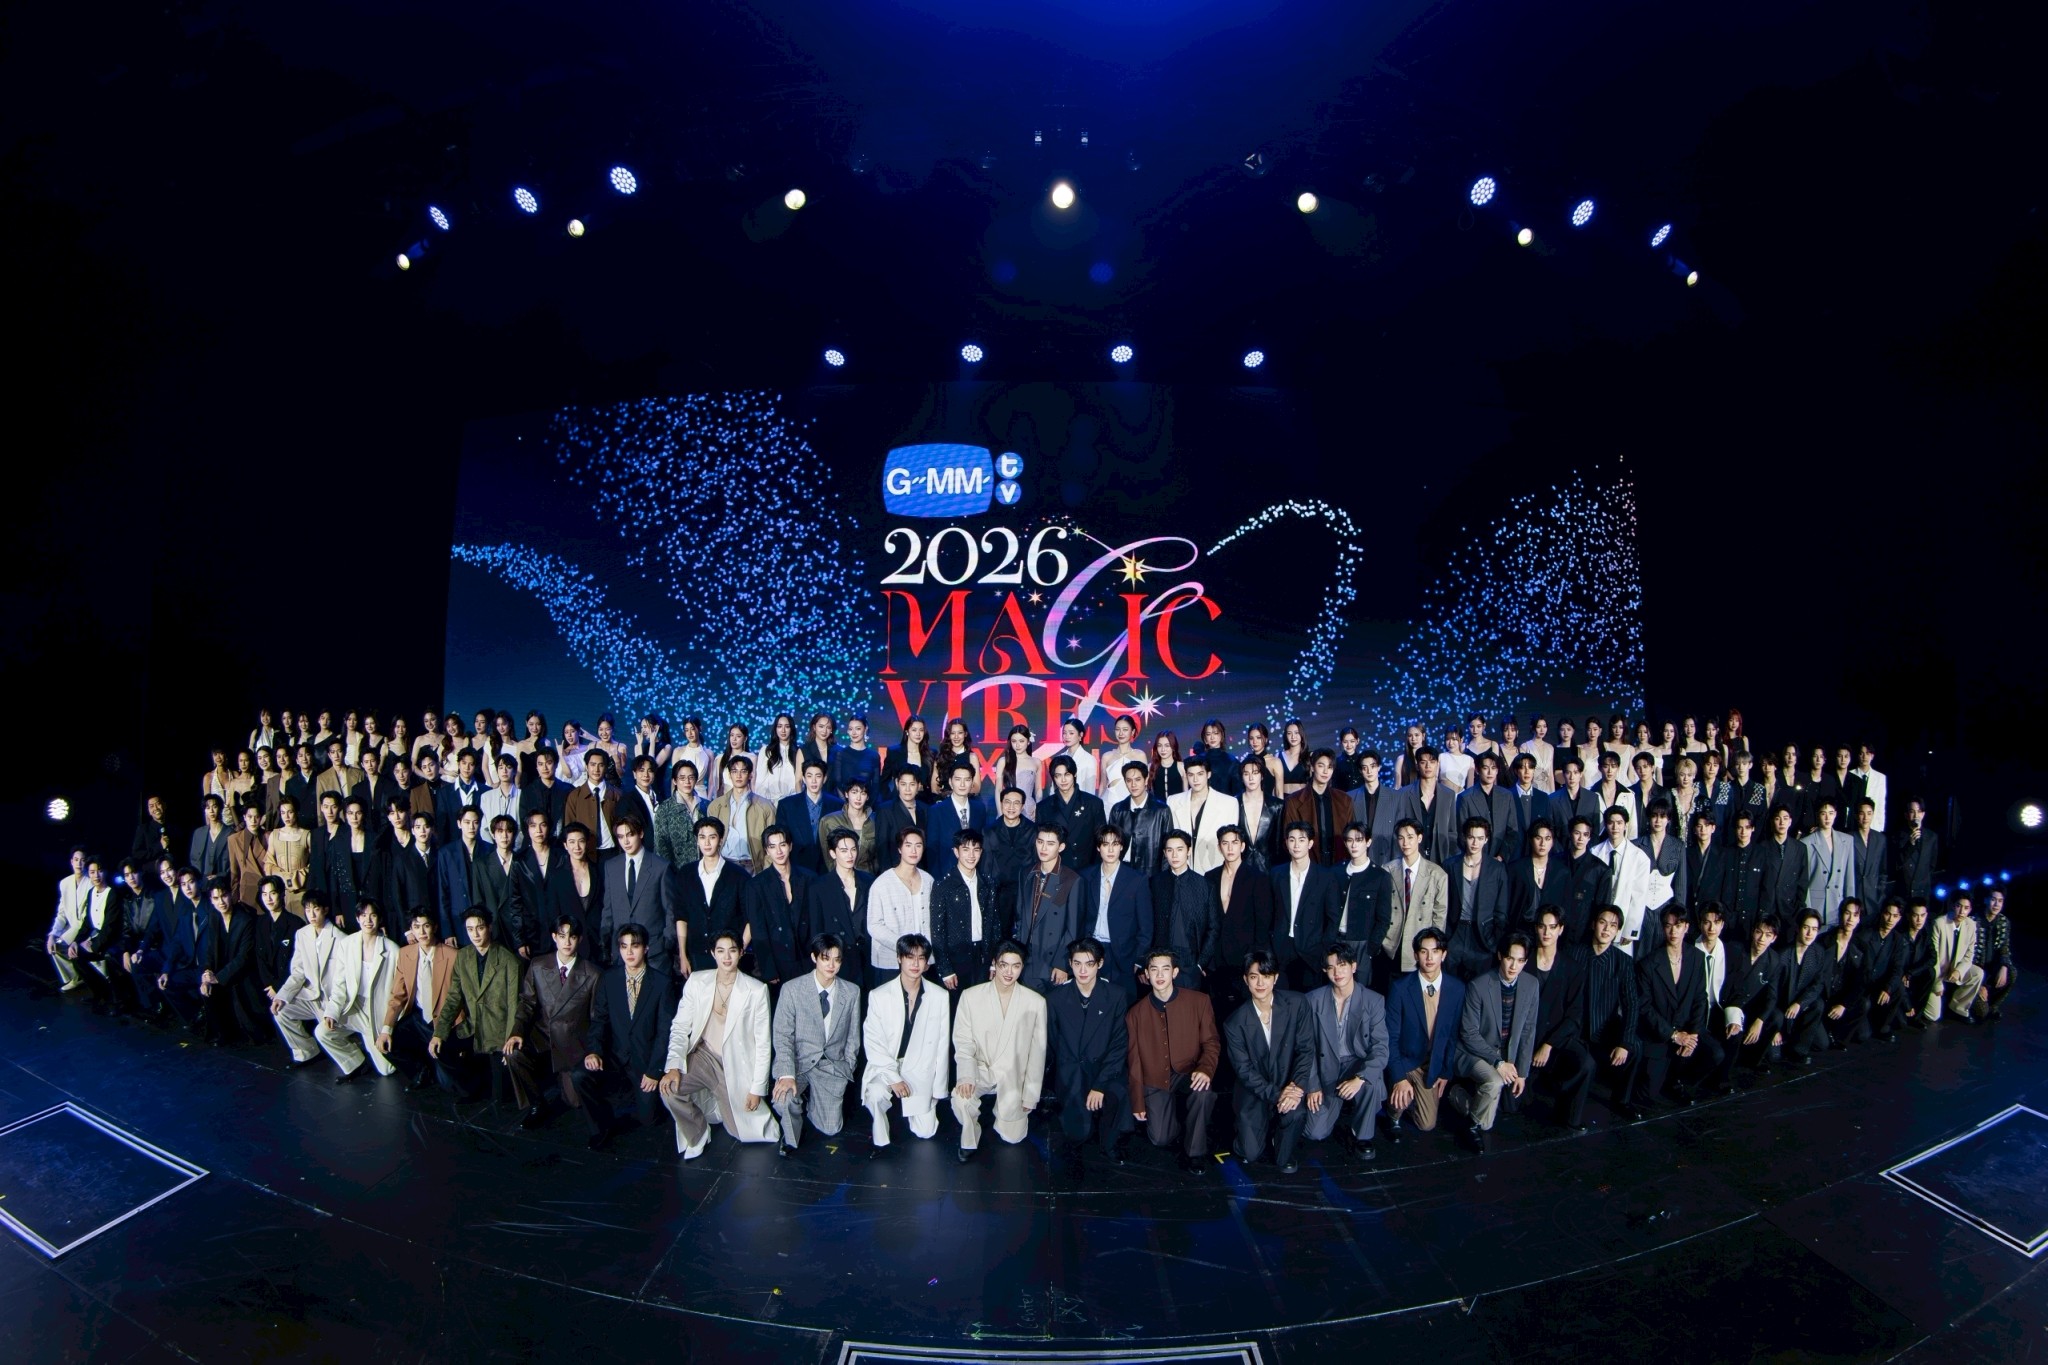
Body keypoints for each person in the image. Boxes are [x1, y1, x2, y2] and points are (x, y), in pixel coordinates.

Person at [579, 924, 677, 1148]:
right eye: (624, 946)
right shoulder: (609, 979)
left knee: (648, 1120)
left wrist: (655, 1071)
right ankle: (600, 1127)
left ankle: (647, 1102)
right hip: (614, 1056)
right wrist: (593, 1051)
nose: (629, 952)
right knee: (579, 1075)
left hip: (644, 1061)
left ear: (646, 948)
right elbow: (599, 1020)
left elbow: (665, 1032)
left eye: (635, 946)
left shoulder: (662, 983)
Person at [1125, 948, 1221, 1174]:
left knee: (1203, 1092)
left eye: (1165, 969)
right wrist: (1138, 1101)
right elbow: (1134, 1061)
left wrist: (1205, 1069)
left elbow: (1211, 1042)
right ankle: (1180, 1121)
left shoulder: (1199, 1001)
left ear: (1175, 972)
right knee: (1160, 1138)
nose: (1159, 975)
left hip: (1189, 1071)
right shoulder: (1135, 1014)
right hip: (1155, 1079)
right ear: (1146, 974)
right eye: (1154, 970)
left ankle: (1195, 1152)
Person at [951, 940, 1048, 1162]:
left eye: (1016, 966)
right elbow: (963, 1042)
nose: (1009, 972)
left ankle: (1007, 1115)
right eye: (1004, 965)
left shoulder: (1035, 1003)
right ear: (994, 963)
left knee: (1012, 1138)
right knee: (961, 1099)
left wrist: (1030, 1095)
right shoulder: (970, 996)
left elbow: (1037, 1054)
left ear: (1022, 967)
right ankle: (969, 1137)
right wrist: (966, 1075)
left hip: (1013, 1076)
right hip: (981, 1069)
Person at [509, 915, 605, 1134]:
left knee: (574, 1102)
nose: (567, 942)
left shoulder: (593, 973)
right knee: (513, 1053)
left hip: (572, 1042)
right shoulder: (537, 965)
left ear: (580, 939)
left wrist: (593, 1051)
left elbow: (597, 1019)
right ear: (554, 937)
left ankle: (566, 1079)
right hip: (543, 1036)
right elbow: (526, 1004)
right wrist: (516, 1032)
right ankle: (536, 1103)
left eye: (572, 937)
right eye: (562, 936)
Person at [1223, 950, 1315, 1174]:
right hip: (1254, 1091)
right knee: (1250, 1153)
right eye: (1254, 977)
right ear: (1246, 980)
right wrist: (1278, 1095)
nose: (1260, 983)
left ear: (1275, 978)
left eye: (1266, 976)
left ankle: (1279, 1139)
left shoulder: (1297, 1003)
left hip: (1288, 1083)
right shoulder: (1234, 1023)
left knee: (1295, 1116)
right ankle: (1249, 1129)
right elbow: (1244, 1071)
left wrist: (1296, 1087)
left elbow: (1306, 1050)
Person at [1046, 937, 1132, 1173]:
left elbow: (1118, 1044)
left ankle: (1109, 1143)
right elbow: (1053, 1041)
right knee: (1077, 1135)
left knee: (1117, 1095)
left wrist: (1100, 1085)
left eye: (1089, 964)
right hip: (1072, 1070)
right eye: (1077, 964)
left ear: (1100, 964)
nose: (1082, 970)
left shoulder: (1116, 995)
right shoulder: (1055, 999)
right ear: (1070, 964)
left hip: (1104, 1068)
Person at [1446, 934, 1539, 1152]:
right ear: (1500, 956)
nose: (1514, 966)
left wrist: (1522, 1073)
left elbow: (1528, 1030)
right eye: (1509, 958)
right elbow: (1468, 1034)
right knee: (1494, 1082)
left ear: (1526, 961)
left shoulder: (1531, 984)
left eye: (1520, 961)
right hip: (1472, 1051)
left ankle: (1456, 1095)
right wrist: (1498, 1062)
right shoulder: (1478, 985)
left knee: (1489, 1122)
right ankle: (1470, 1126)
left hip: (1506, 1055)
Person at [861, 933, 951, 1151]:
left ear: (927, 963)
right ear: (899, 958)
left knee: (926, 1132)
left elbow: (942, 1046)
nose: (915, 964)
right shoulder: (879, 995)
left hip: (920, 1067)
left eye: (921, 958)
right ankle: (881, 1132)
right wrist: (893, 1078)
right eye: (910, 957)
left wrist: (938, 1090)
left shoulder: (939, 996)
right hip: (887, 1065)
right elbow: (873, 1043)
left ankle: (916, 1107)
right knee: (875, 1094)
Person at [428, 908, 528, 1104]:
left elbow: (514, 1005)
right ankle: (471, 1088)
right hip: (474, 1026)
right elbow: (454, 997)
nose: (475, 934)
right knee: (441, 1049)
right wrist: (439, 1032)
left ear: (489, 928)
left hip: (498, 1031)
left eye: (480, 928)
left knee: (500, 1099)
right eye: (470, 929)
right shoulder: (463, 956)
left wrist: (509, 1039)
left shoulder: (509, 961)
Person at [1303, 942, 1389, 1162]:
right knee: (1315, 1133)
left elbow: (1380, 1048)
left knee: (1371, 1081)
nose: (1337, 972)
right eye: (1331, 967)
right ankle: (1336, 1105)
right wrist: (1312, 1085)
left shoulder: (1373, 1000)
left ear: (1354, 966)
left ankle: (1363, 1136)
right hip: (1326, 1068)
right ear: (1324, 970)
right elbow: (1306, 1048)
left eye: (1342, 965)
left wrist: (1360, 1078)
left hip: (1356, 1065)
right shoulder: (1312, 1000)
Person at [1384, 927, 1464, 1140]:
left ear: (1443, 954)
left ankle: (1413, 1099)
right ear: (1415, 955)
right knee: (1398, 1102)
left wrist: (1445, 1071)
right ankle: (1393, 1110)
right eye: (1423, 951)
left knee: (1427, 1124)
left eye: (1435, 951)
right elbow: (1390, 1039)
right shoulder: (1400, 988)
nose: (1429, 958)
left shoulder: (1456, 989)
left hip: (1431, 1063)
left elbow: (1452, 1035)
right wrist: (1399, 1077)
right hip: (1405, 1061)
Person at [1631, 907, 1710, 1108]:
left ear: (1687, 927)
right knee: (1648, 1095)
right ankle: (1667, 1079)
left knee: (1715, 1055)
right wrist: (1673, 1035)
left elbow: (1701, 998)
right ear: (1662, 928)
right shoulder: (1648, 964)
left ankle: (1677, 1081)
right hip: (1659, 1033)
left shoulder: (1697, 957)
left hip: (1687, 1030)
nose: (1673, 931)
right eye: (1668, 926)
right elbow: (1644, 1007)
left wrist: (1692, 1036)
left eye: (1678, 925)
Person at [1524, 906, 1594, 1129]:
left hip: (1556, 1037)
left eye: (1552, 927)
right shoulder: (1523, 961)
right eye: (1542, 926)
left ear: (1561, 929)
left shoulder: (1572, 968)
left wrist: (1549, 1044)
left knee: (1586, 1063)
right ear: (1536, 928)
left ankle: (1571, 1116)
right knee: (1515, 1104)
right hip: (1526, 1039)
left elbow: (1574, 1015)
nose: (1547, 932)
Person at [318, 900, 399, 1083]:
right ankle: (355, 1062)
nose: (368, 920)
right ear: (357, 918)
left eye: (373, 915)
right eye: (363, 915)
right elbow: (339, 984)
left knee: (387, 1070)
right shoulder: (347, 944)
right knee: (322, 1032)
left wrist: (388, 1026)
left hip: (377, 1011)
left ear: (379, 919)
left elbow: (398, 992)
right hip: (354, 1006)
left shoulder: (392, 949)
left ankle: (371, 1042)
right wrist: (332, 1011)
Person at [1079, 825, 1152, 1004]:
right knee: (1091, 1005)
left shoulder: (1137, 880)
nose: (1110, 850)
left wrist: (1137, 961)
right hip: (1091, 951)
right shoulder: (1086, 876)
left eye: (1115, 844)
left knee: (1121, 1007)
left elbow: (1146, 926)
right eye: (1105, 844)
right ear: (1098, 848)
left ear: (1121, 847)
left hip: (1123, 955)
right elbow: (1079, 917)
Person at [270, 891, 343, 1067]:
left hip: (331, 1000)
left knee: (329, 1034)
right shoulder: (302, 934)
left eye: (315, 909)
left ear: (325, 910)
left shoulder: (341, 938)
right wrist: (282, 996)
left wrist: (333, 1008)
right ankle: (306, 1051)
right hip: (310, 997)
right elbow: (298, 972)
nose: (311, 914)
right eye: (308, 910)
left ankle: (353, 1054)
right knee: (281, 1010)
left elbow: (344, 981)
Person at [601, 815, 678, 975]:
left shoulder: (661, 867)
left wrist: (667, 943)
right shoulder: (611, 867)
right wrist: (606, 942)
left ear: (641, 833)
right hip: (621, 952)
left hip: (655, 951)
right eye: (620, 837)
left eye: (630, 835)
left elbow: (671, 910)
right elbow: (608, 910)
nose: (626, 841)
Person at [1718, 916, 1790, 1082]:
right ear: (1753, 932)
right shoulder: (1735, 950)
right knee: (1733, 1029)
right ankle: (1723, 1076)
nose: (1762, 939)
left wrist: (1760, 1020)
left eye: (1768, 935)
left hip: (1750, 1006)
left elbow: (1772, 996)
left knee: (1776, 1017)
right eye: (1759, 932)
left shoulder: (1774, 961)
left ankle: (1752, 1061)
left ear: (1774, 938)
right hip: (1729, 1004)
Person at [1269, 822, 1338, 990]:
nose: (1296, 845)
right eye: (1292, 840)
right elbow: (1269, 913)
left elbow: (1333, 918)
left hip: (1312, 951)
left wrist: (1323, 950)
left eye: (1301, 840)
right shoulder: (1276, 874)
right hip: (1281, 949)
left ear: (1310, 843)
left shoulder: (1325, 876)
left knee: (1309, 1000)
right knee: (1282, 1000)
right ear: (1286, 843)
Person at [744, 827, 814, 990]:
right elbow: (758, 929)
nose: (779, 851)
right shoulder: (756, 885)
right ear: (766, 851)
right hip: (778, 959)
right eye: (772, 846)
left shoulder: (809, 878)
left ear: (790, 846)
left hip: (807, 957)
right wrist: (768, 968)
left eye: (782, 845)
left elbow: (816, 921)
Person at [1014, 823, 1080, 994]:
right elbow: (1019, 916)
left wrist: (1062, 963)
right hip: (1026, 958)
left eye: (1050, 844)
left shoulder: (1071, 879)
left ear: (1061, 847)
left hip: (1052, 961)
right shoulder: (1026, 873)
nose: (1043, 848)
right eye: (1040, 842)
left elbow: (1072, 929)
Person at [931, 828, 997, 993]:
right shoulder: (943, 885)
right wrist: (945, 968)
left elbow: (994, 924)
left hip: (983, 956)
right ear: (956, 852)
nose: (971, 855)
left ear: (981, 852)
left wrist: (994, 960)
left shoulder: (988, 883)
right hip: (956, 958)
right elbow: (937, 931)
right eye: (966, 849)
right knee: (957, 1005)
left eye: (976, 849)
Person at [1152, 830, 1219, 992]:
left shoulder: (1205, 885)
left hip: (1191, 960)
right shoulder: (1155, 883)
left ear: (1189, 851)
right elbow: (1148, 924)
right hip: (1161, 959)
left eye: (1180, 849)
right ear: (1164, 853)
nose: (1174, 855)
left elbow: (1214, 928)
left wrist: (1200, 963)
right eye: (1170, 850)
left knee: (1189, 1005)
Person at [1380, 819, 1448, 976]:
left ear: (1419, 838)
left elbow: (1439, 915)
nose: (1405, 843)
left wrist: (1433, 948)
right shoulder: (1387, 870)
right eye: (1401, 838)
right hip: (1391, 944)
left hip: (1421, 944)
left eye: (1410, 837)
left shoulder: (1437, 874)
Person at [865, 829, 931, 990]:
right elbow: (874, 925)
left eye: (918, 845)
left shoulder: (929, 880)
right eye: (908, 845)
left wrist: (925, 954)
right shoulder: (882, 883)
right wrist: (904, 948)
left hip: (923, 962)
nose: (914, 850)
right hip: (890, 962)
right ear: (900, 849)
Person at [1445, 817, 1508, 980]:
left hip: (1482, 936)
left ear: (1486, 840)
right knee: (1450, 984)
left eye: (1480, 838)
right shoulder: (1450, 865)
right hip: (1455, 933)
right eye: (1471, 837)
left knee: (1480, 985)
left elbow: (1501, 910)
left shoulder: (1496, 869)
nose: (1475, 843)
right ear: (1464, 837)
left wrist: (1493, 940)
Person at [1590, 807, 1654, 953]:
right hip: (1597, 923)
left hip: (1622, 925)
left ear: (1626, 825)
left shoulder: (1640, 857)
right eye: (1611, 823)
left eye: (1619, 823)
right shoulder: (1594, 852)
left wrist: (1630, 929)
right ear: (1606, 825)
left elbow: (1639, 897)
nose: (1615, 827)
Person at [1167, 754, 1240, 873]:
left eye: (1200, 774)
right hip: (1181, 870)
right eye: (1191, 775)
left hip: (1213, 868)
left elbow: (1230, 842)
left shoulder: (1228, 803)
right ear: (1186, 775)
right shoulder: (1173, 801)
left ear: (1208, 774)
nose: (1195, 780)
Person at [1282, 750, 1354, 866]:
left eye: (1330, 767)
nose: (1325, 771)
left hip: (1339, 865)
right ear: (1312, 767)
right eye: (1321, 766)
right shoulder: (1293, 801)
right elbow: (1287, 839)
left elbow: (1351, 835)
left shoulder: (1344, 800)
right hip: (1307, 866)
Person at [1779, 910, 1832, 1063]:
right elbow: (1774, 993)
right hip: (1782, 1008)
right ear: (1798, 928)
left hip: (1801, 1007)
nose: (1809, 933)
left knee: (1822, 1043)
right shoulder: (1783, 954)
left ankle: (1798, 1049)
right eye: (1806, 928)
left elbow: (1818, 984)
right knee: (1774, 1055)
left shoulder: (1818, 952)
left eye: (1814, 929)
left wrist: (1799, 1003)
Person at [775, 758, 844, 875]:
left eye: (818, 776)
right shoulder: (787, 805)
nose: (813, 781)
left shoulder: (837, 805)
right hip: (797, 867)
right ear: (803, 778)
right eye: (809, 776)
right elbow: (782, 838)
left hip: (828, 868)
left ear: (824, 778)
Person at [1925, 894, 1985, 1023]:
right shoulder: (1939, 923)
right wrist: (1937, 985)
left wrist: (1959, 971)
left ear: (1970, 910)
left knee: (1977, 973)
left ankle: (1958, 1008)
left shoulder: (1971, 924)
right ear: (1953, 906)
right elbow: (1933, 958)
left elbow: (1969, 954)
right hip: (1937, 972)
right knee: (1933, 1016)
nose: (1962, 911)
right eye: (1959, 906)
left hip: (1954, 970)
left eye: (1966, 908)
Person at [1038, 756, 1105, 871]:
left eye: (1067, 774)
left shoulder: (1093, 803)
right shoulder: (1044, 807)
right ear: (1053, 778)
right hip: (1056, 869)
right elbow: (1040, 842)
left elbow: (1101, 839)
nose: (1063, 780)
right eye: (1058, 776)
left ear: (1074, 774)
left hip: (1087, 868)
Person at [1820, 899, 1871, 1048]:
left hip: (1843, 998)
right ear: (1841, 914)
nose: (1850, 919)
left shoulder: (1861, 946)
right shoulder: (1824, 940)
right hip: (1824, 996)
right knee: (1821, 1043)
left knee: (1863, 1031)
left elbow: (1862, 982)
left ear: (1859, 919)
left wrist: (1844, 1004)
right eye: (1847, 913)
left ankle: (1839, 1036)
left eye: (1855, 915)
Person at [922, 759, 984, 877]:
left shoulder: (979, 809)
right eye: (958, 779)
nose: (962, 784)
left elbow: (981, 845)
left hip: (973, 875)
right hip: (946, 874)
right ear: (950, 782)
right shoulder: (936, 811)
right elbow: (932, 850)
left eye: (967, 780)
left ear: (972, 783)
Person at [1800, 799, 1857, 925]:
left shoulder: (1847, 840)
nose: (1827, 818)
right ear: (1818, 815)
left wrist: (1850, 908)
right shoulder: (1806, 842)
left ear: (1835, 814)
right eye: (1823, 813)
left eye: (1831, 813)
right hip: (1816, 904)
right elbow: (1805, 881)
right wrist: (1807, 909)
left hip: (1838, 903)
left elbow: (1849, 878)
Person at [1108, 760, 1171, 872]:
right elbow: (1110, 843)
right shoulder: (1118, 810)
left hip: (1151, 871)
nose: (1133, 785)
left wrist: (1164, 876)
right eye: (1129, 780)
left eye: (1137, 779)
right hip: (1122, 869)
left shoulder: (1162, 810)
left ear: (1146, 780)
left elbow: (1168, 845)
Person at [434, 806, 482, 945]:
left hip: (483, 921)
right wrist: (448, 931)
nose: (471, 827)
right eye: (467, 822)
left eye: (475, 822)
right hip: (458, 921)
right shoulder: (446, 853)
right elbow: (443, 893)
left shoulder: (489, 849)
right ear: (459, 824)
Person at [564, 749, 621, 864]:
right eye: (593, 764)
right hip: (585, 853)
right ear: (586, 766)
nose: (596, 769)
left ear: (606, 767)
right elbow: (569, 826)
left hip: (611, 851)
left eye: (601, 765)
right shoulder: (575, 795)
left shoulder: (617, 794)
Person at [46, 847, 91, 991]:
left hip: (89, 928)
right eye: (76, 860)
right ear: (71, 862)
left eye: (82, 860)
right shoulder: (65, 883)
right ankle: (76, 977)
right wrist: (53, 934)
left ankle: (93, 976)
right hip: (74, 928)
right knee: (55, 946)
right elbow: (62, 913)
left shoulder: (91, 882)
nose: (79, 863)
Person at [1235, 757, 1285, 872]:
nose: (1251, 778)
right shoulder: (1234, 803)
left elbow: (1279, 845)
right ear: (1242, 777)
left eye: (1255, 773)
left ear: (1262, 776)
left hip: (1269, 869)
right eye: (1246, 774)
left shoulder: (1277, 805)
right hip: (1241, 869)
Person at [1892, 800, 1939, 902]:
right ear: (1906, 815)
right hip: (1903, 892)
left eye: (1919, 811)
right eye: (1912, 812)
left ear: (1923, 814)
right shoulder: (1897, 837)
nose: (1916, 815)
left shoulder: (1931, 837)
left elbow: (1932, 865)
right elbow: (1896, 864)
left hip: (1922, 892)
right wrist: (1910, 844)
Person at [1978, 889, 2015, 1020]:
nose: (1996, 904)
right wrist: (1979, 984)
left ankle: (1994, 1006)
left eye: (2000, 901)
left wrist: (2004, 966)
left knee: (2012, 972)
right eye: (1993, 900)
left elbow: (2004, 948)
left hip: (1992, 967)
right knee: (1982, 1013)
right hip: (1975, 972)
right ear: (1986, 900)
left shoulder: (2004, 922)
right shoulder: (1974, 921)